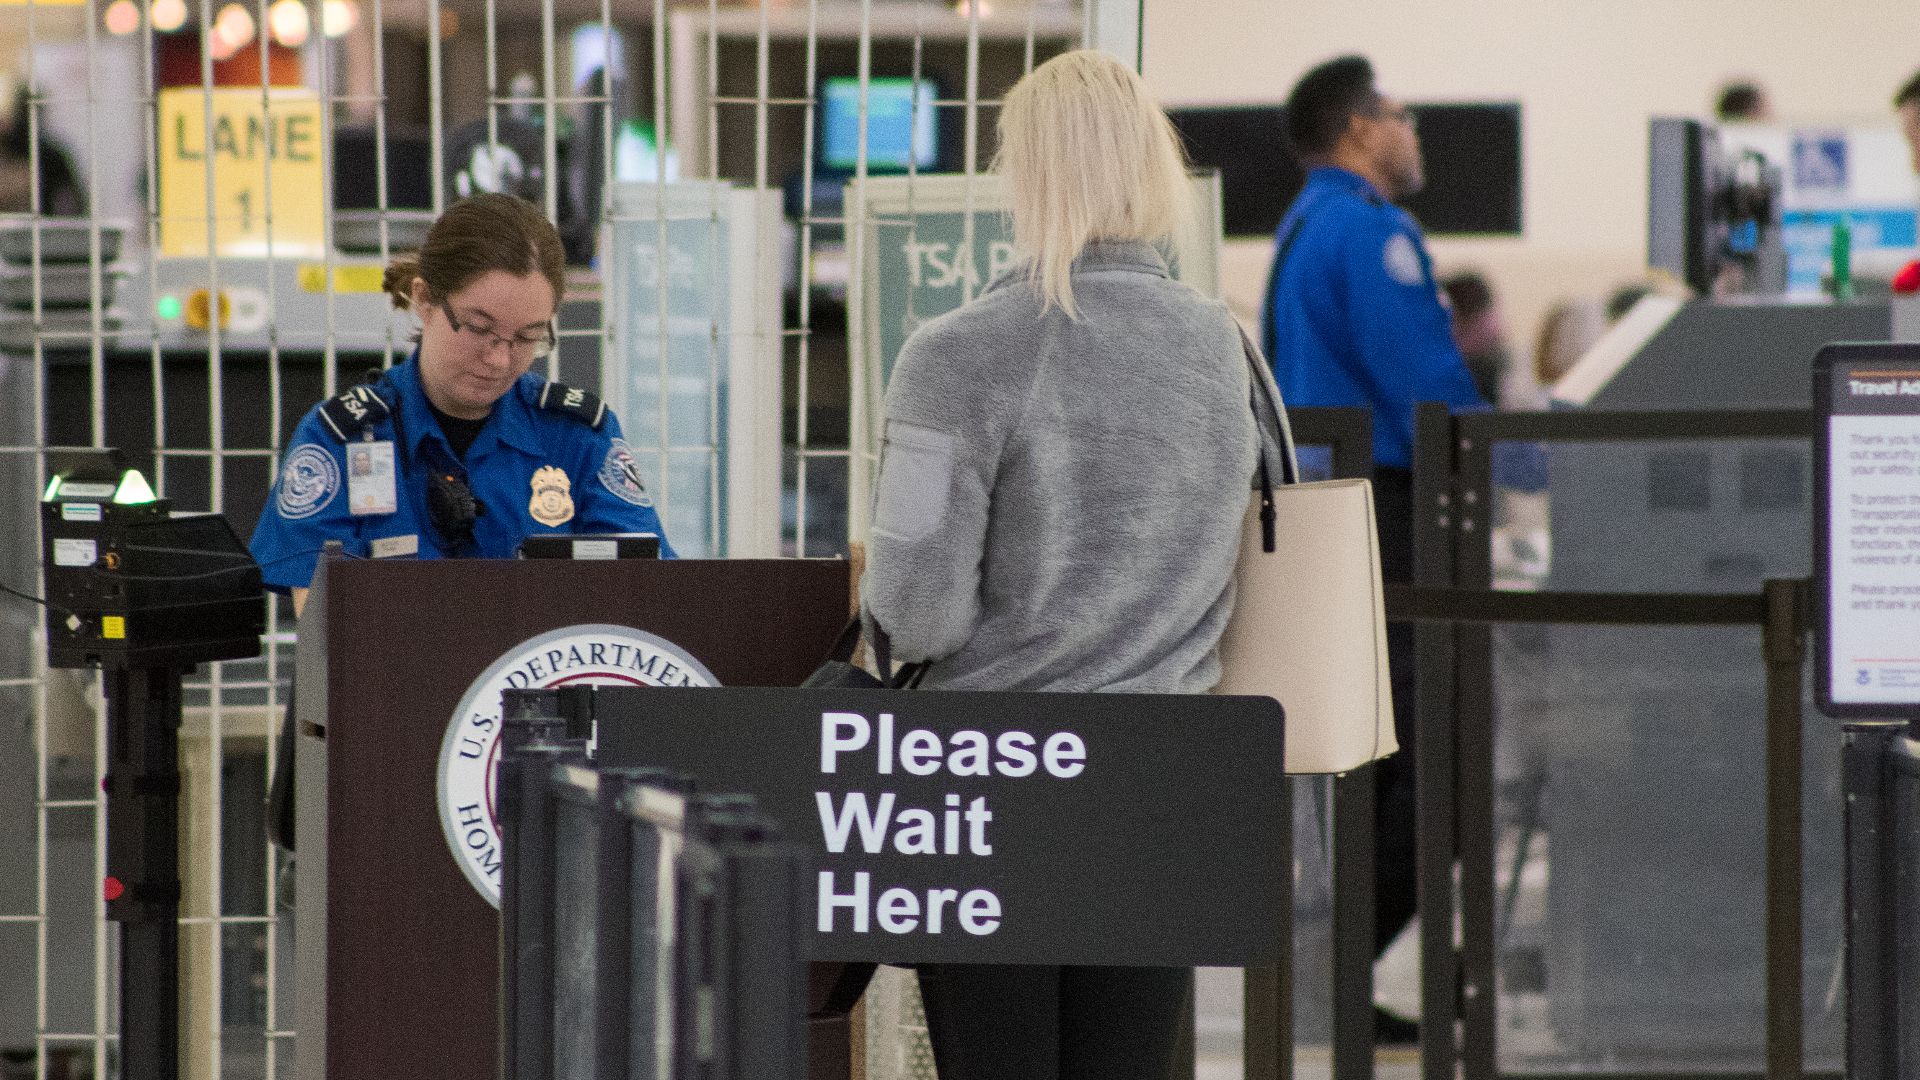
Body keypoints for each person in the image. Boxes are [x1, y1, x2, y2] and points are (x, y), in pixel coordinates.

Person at [859, 49, 1265, 1079]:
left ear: (1026, 173)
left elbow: (916, 611)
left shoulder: (956, 353)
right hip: (1166, 779)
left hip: (995, 785)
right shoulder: (1226, 347)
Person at [250, 192, 673, 847]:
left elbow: (645, 596)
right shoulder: (340, 440)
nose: (500, 359)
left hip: (549, 775)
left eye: (528, 337)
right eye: (478, 327)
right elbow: (325, 628)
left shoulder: (578, 438)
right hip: (387, 767)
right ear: (423, 301)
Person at [1261, 54, 1488, 1042]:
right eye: (1403, 116)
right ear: (1360, 129)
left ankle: (1335, 969)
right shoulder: (1370, 232)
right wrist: (1525, 469)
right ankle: (1335, 965)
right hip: (1391, 512)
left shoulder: (1302, 228)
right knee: (1437, 760)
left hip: (1333, 510)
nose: (1415, 132)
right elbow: (1427, 386)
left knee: (1381, 754)